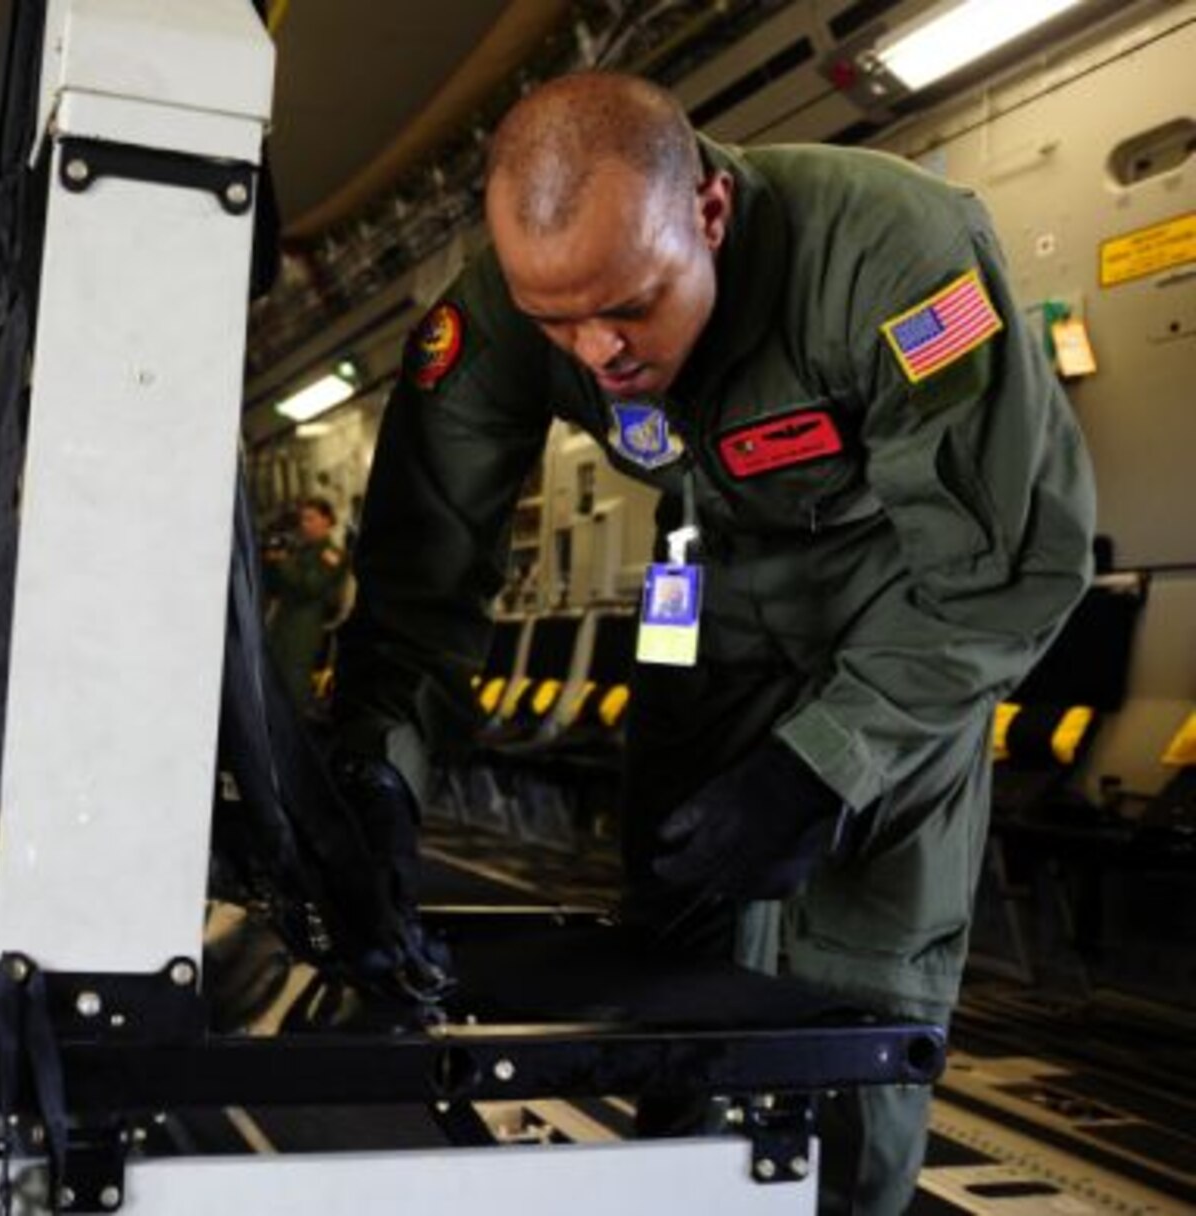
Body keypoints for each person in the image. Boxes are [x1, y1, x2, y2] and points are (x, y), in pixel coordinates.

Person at [331, 73, 1094, 1213]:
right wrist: (377, 775)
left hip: (903, 607)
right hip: (708, 603)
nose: (598, 350)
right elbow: (417, 585)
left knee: (858, 998)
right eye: (556, 322)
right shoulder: (498, 314)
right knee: (674, 954)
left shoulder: (893, 256)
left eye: (632, 306)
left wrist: (824, 765)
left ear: (711, 213)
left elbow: (1005, 571)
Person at [264, 496, 348, 711]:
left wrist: (283, 562)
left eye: (310, 519)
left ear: (327, 521)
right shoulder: (300, 550)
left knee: (294, 686)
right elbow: (275, 587)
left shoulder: (332, 555)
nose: (304, 524)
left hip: (305, 628)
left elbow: (310, 586)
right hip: (282, 624)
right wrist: (270, 564)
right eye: (302, 519)